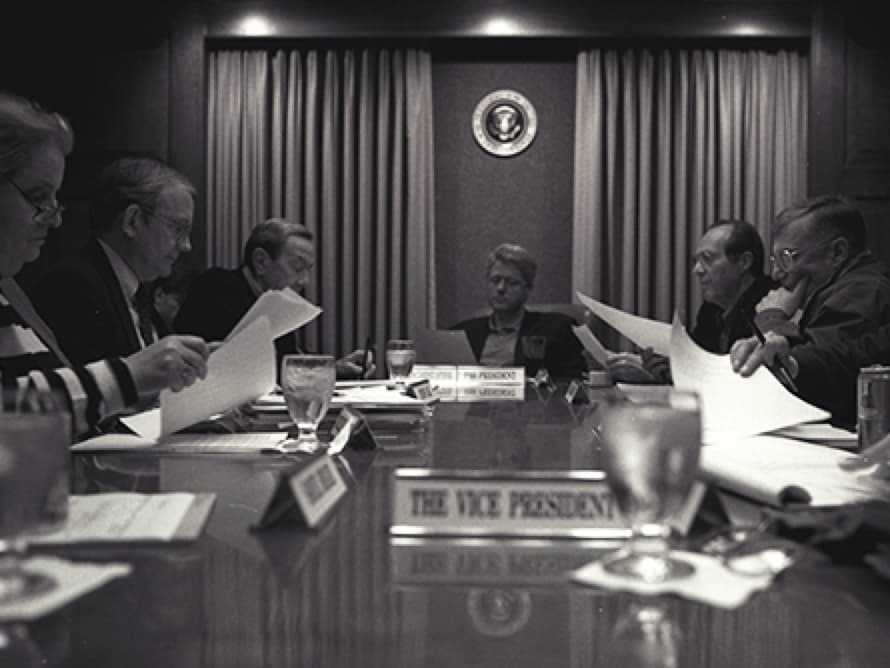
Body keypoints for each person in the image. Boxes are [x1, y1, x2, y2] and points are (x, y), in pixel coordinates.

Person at [0, 91, 209, 437]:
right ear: (131, 222)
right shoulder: (70, 283)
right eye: (38, 198)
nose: (55, 221)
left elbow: (56, 409)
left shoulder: (9, 292)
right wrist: (130, 375)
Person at [730, 194, 890, 427]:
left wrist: (771, 320)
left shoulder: (861, 290)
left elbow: (824, 373)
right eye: (775, 260)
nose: (775, 275)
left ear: (837, 253)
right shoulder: (842, 287)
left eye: (787, 258)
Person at [32, 157, 195, 364]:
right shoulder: (72, 285)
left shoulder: (138, 292)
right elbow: (101, 389)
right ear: (132, 221)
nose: (186, 245)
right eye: (178, 228)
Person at [174, 217, 371, 378]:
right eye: (297, 267)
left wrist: (334, 368)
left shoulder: (276, 301)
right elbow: (255, 371)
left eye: (308, 270)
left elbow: (289, 364)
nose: (305, 281)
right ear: (260, 262)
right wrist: (326, 370)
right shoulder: (215, 288)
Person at [628, 220, 775, 383]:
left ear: (744, 262)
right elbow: (698, 370)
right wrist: (665, 368)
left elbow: (739, 381)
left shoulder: (772, 305)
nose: (697, 270)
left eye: (707, 259)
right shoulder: (711, 309)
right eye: (696, 261)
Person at [450, 243, 586, 379]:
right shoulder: (461, 334)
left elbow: (574, 383)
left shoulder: (556, 329)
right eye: (495, 280)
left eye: (511, 282)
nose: (501, 288)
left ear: (528, 288)